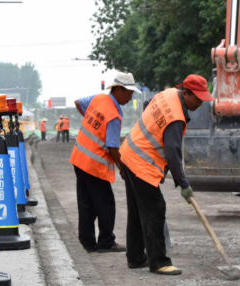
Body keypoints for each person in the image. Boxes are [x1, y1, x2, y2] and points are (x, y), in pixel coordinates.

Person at [119, 74, 214, 274]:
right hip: (141, 162)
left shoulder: (168, 93)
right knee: (155, 209)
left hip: (129, 151)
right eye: (197, 97)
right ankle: (159, 262)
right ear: (186, 93)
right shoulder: (176, 118)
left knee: (137, 211)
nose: (200, 102)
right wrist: (184, 184)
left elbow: (147, 103)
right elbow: (173, 153)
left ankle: (135, 257)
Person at [70, 72, 141, 253]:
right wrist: (123, 170)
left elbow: (78, 103)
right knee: (106, 203)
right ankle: (106, 242)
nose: (129, 97)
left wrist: (90, 121)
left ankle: (87, 242)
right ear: (118, 90)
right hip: (94, 165)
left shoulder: (98, 99)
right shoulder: (114, 115)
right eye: (129, 93)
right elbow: (113, 148)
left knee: (86, 203)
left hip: (79, 158)